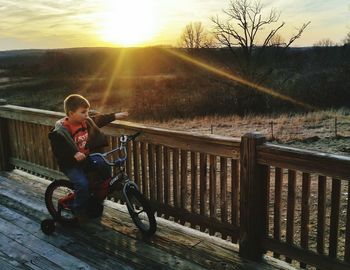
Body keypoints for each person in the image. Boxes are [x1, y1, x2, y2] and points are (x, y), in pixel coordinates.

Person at [49, 94, 128, 223]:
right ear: (71, 113)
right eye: (83, 112)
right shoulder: (61, 130)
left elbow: (99, 120)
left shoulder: (85, 121)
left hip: (86, 159)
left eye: (87, 111)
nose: (87, 114)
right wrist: (73, 154)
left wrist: (116, 116)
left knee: (103, 164)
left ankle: (104, 189)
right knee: (82, 184)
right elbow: (59, 148)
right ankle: (79, 209)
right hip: (70, 164)